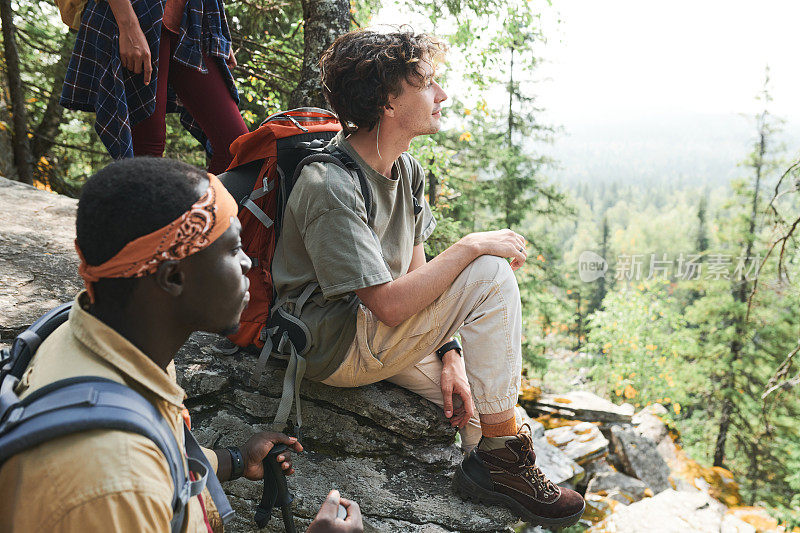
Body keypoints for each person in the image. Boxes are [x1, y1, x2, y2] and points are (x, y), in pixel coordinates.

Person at [269, 29, 585, 528]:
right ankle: (502, 462)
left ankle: (493, 464)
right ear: (388, 100)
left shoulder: (406, 170)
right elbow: (389, 305)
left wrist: (450, 355)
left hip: (381, 334)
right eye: (428, 83)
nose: (442, 95)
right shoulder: (329, 183)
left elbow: (420, 281)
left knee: (497, 419)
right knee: (488, 272)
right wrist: (470, 246)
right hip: (337, 343)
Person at [0, 158, 361, 532]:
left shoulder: (105, 335)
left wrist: (235, 459)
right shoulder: (113, 483)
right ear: (173, 276)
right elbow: (132, 476)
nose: (247, 262)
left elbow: (160, 449)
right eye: (233, 248)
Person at [59, 0, 248, 173]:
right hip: (136, 14)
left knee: (238, 148)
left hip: (192, 18)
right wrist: (129, 27)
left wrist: (216, 28)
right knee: (147, 149)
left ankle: (205, 211)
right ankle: (140, 210)